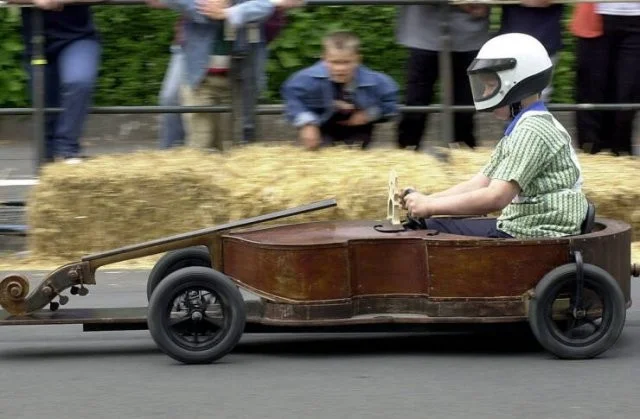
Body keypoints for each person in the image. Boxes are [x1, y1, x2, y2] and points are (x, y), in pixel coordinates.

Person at [402, 33, 588, 239]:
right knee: (430, 223)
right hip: (527, 224)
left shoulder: (532, 131)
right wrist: (428, 199)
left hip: (538, 230)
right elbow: (479, 184)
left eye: (490, 85)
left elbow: (496, 197)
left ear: (517, 83)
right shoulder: (524, 127)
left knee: (427, 230)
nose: (484, 94)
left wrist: (430, 207)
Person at [281, 30, 398, 150]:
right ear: (324, 59)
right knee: (322, 151)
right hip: (321, 124)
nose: (340, 68)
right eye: (334, 62)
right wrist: (306, 123)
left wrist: (369, 114)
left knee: (353, 151)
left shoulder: (377, 81)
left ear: (358, 59)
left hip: (356, 127)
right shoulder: (305, 79)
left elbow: (389, 102)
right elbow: (293, 99)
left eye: (346, 62)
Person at [395, 4, 490, 150]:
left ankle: (462, 152)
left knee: (464, 105)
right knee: (416, 102)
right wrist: (463, 3)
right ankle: (408, 150)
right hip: (424, 33)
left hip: (470, 33)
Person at [18, 0, 102, 163]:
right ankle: (48, 159)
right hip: (36, 43)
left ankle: (67, 149)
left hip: (78, 38)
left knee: (78, 82)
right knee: (44, 104)